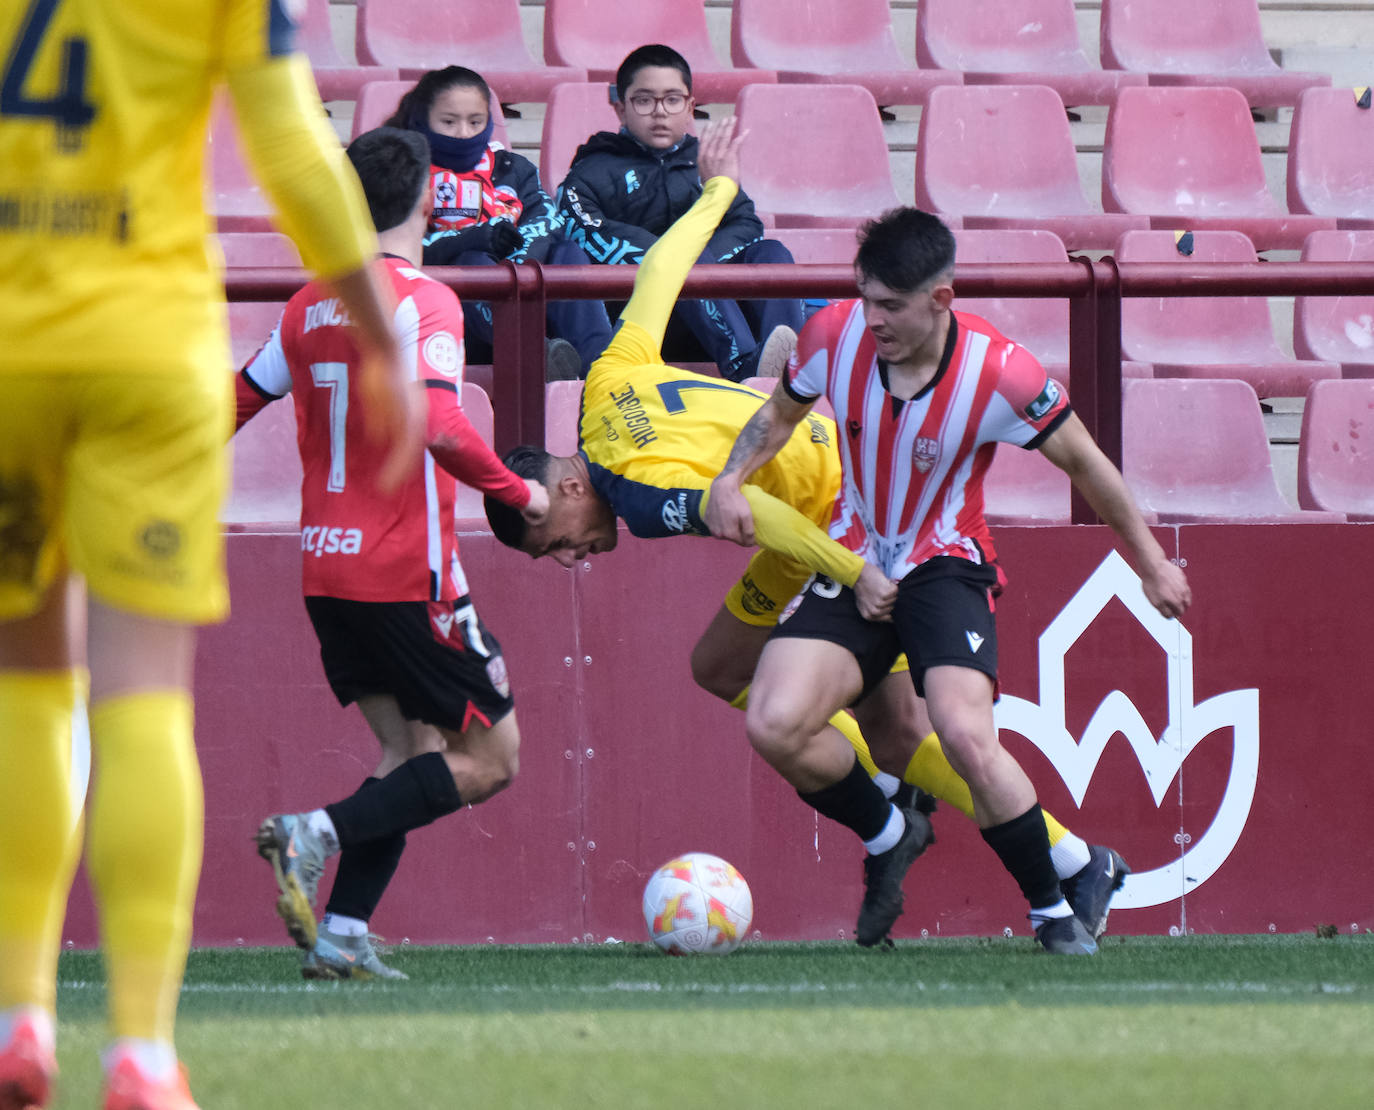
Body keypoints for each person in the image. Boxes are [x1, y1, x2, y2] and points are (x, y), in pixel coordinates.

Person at [487, 119, 1130, 949]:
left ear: (568, 485)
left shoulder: (640, 497)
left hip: (840, 517)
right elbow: (657, 274)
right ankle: (920, 827)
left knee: (893, 728)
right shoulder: (609, 380)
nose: (574, 558)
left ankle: (1027, 855)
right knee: (726, 668)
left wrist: (852, 569)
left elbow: (768, 518)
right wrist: (716, 192)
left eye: (559, 542)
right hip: (818, 487)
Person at [0, 2, 422, 1107]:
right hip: (149, 349)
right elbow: (289, 141)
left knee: (29, 682)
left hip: (9, 350)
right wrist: (381, 330)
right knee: (141, 697)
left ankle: (19, 1015)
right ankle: (140, 1050)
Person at [704, 206, 1192, 955]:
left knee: (962, 733)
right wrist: (731, 479)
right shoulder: (833, 335)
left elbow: (1087, 464)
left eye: (892, 305)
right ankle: (890, 829)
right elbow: (779, 414)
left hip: (945, 565)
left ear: (941, 299)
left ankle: (1051, 909)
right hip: (856, 559)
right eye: (866, 298)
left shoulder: (1001, 373)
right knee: (773, 722)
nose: (874, 320)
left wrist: (1152, 562)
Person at [237, 126, 548, 982]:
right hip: (407, 573)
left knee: (411, 755)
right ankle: (316, 832)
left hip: (326, 571)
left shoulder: (308, 302)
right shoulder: (423, 300)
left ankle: (342, 930)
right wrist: (525, 493)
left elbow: (237, 397)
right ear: (428, 201)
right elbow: (444, 426)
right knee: (493, 759)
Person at [556, 44, 803, 383]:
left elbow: (746, 224)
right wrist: (678, 256)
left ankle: (792, 365)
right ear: (620, 108)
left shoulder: (704, 163)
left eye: (672, 100)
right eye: (644, 100)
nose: (660, 112)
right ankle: (745, 366)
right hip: (641, 321)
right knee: (687, 254)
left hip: (713, 309)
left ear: (690, 107)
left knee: (772, 253)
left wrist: (703, 260)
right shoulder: (590, 171)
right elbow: (583, 231)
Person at [385, 65, 613, 380]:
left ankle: (604, 367)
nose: (464, 133)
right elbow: (400, 248)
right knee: (472, 261)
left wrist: (513, 265)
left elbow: (548, 221)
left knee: (568, 253)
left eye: (475, 122)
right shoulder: (406, 172)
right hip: (451, 318)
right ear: (423, 121)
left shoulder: (512, 168)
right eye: (449, 122)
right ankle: (535, 352)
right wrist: (474, 239)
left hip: (524, 295)